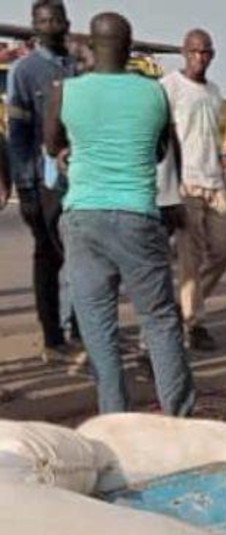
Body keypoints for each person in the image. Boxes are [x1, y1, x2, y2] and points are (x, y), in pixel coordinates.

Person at [44, 12, 194, 417]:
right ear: (130, 50)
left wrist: (69, 153)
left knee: (98, 328)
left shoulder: (63, 91)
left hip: (84, 218)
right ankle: (179, 420)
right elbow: (161, 151)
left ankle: (115, 420)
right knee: (160, 320)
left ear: (91, 48)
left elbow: (51, 145)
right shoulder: (155, 94)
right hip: (138, 218)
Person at [6, 0, 77, 363]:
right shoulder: (23, 71)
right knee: (48, 257)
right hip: (40, 179)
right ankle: (53, 337)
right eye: (42, 20)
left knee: (82, 256)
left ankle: (81, 331)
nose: (49, 25)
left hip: (78, 180)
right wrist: (24, 183)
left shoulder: (75, 67)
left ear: (66, 22)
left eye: (55, 19)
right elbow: (17, 134)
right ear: (34, 26)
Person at [161, 28, 226, 353]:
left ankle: (186, 305)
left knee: (225, 248)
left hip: (214, 181)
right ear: (183, 52)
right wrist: (167, 184)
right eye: (194, 52)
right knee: (190, 257)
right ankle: (194, 323)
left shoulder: (215, 92)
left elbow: (214, 138)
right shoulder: (170, 87)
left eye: (205, 52)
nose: (199, 58)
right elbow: (161, 136)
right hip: (186, 182)